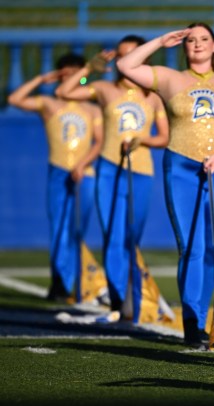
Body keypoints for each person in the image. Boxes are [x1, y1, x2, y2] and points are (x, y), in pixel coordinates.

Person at [116, 23, 214, 346]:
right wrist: (160, 40)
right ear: (184, 45)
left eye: (204, 39)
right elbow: (125, 65)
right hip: (180, 166)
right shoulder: (170, 78)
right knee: (189, 245)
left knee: (211, 247)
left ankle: (208, 318)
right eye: (191, 39)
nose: (197, 44)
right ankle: (191, 322)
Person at [56, 35, 170, 319]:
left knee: (132, 237)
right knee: (113, 235)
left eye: (130, 54)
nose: (124, 60)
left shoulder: (153, 95)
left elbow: (165, 137)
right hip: (109, 169)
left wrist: (142, 140)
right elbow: (65, 92)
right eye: (121, 55)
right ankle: (119, 301)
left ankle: (134, 296)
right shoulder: (105, 89)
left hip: (141, 171)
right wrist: (87, 70)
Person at [8, 53, 104, 301]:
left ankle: (74, 279)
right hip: (59, 170)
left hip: (85, 172)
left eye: (75, 74)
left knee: (77, 229)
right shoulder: (50, 104)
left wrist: (83, 164)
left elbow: (99, 142)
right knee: (60, 227)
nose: (70, 78)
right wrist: (42, 78)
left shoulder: (92, 107)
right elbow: (14, 99)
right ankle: (60, 282)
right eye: (65, 74)